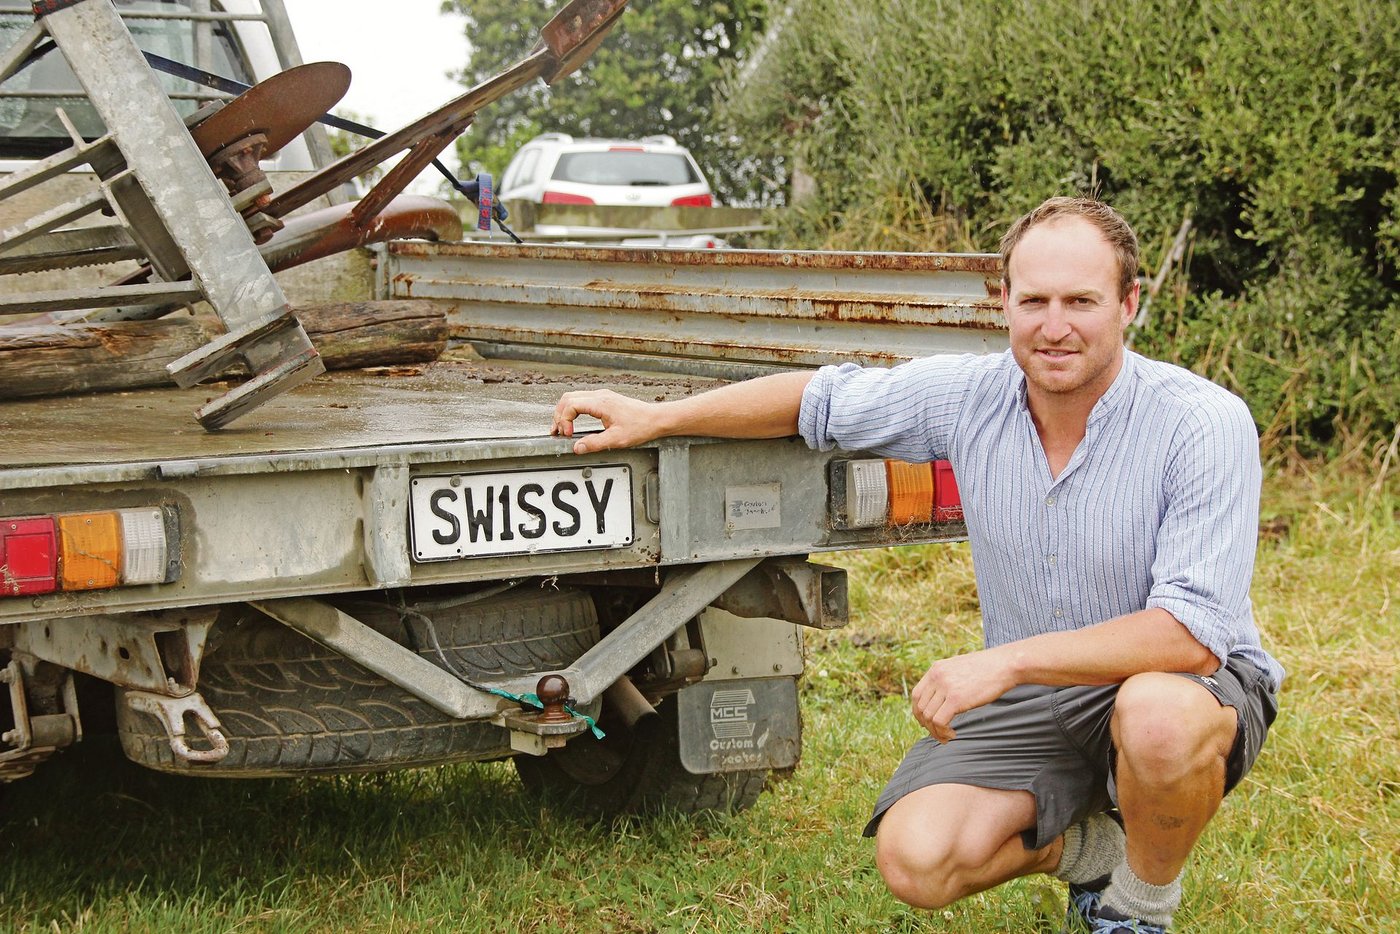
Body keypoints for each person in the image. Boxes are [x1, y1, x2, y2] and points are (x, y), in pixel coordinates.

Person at [550, 196, 1280, 933]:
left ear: (1128, 304)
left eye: (1081, 301)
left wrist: (1005, 664)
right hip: (1041, 699)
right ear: (1003, 302)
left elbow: (1192, 633)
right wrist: (659, 417)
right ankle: (1092, 849)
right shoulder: (970, 396)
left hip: (1184, 686)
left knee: (1154, 717)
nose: (1054, 326)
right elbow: (818, 402)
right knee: (916, 859)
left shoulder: (1201, 422)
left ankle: (1139, 906)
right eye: (1034, 301)